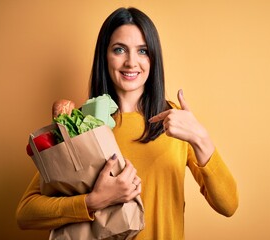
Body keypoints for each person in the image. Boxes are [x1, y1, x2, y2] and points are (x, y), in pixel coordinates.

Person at [16, 7, 238, 239]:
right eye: (119, 50)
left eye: (142, 51)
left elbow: (229, 205)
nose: (131, 62)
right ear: (105, 56)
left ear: (154, 58)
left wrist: (200, 138)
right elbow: (25, 212)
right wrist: (92, 202)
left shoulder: (176, 120)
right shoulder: (80, 125)